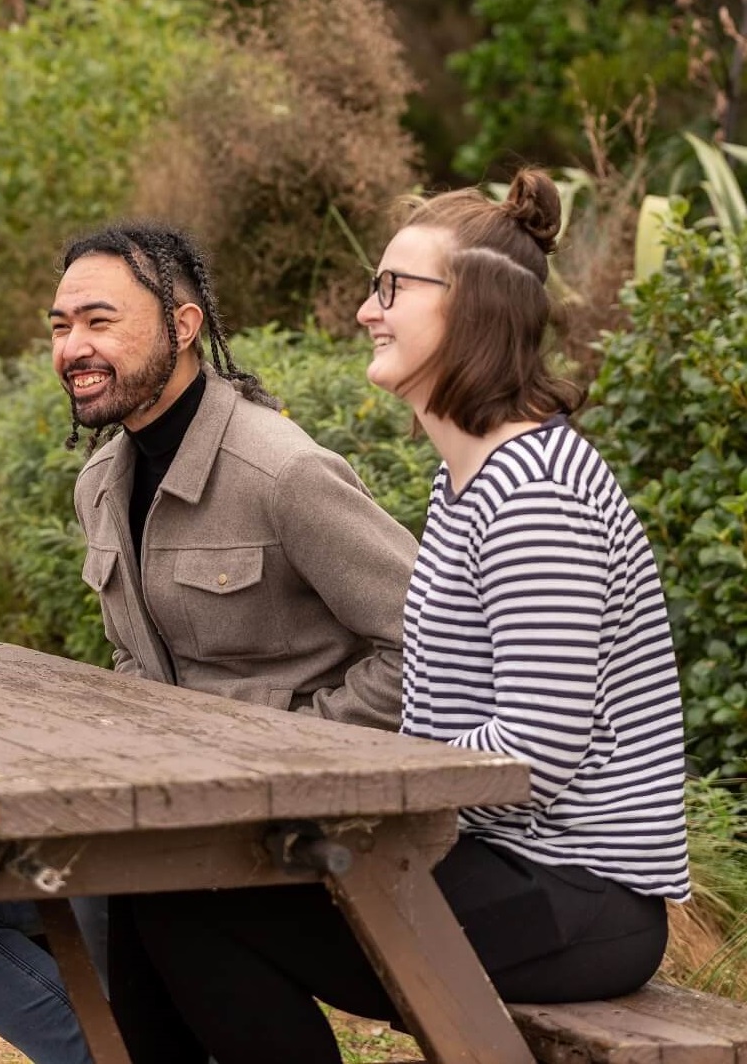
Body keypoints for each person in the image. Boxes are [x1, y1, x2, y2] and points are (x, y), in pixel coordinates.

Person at [113, 171, 691, 1064]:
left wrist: (342, 775)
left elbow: (530, 755)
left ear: (475, 308)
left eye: (391, 288)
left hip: (577, 895)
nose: (363, 310)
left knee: (192, 897)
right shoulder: (468, 483)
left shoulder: (535, 495)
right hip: (490, 862)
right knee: (169, 892)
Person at [0, 222, 420, 1063]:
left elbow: (425, 647)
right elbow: (139, 665)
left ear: (183, 328)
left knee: (127, 910)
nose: (72, 348)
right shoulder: (101, 482)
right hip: (163, 829)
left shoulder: (283, 473)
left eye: (98, 321)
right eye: (59, 326)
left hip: (296, 841)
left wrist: (285, 741)